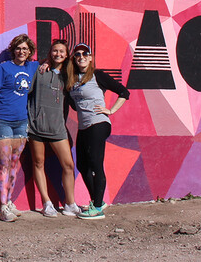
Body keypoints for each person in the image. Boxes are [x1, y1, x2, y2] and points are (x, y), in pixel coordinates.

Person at [67, 42, 129, 220]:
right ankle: (97, 202)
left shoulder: (97, 75)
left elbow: (124, 92)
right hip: (84, 125)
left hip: (99, 123)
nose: (81, 57)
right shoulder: (72, 79)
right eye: (77, 54)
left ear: (91, 57)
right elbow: (73, 102)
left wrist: (110, 110)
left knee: (95, 163)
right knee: (82, 165)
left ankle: (97, 208)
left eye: (85, 54)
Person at [0, 34, 39, 222]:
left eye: (25, 49)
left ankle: (9, 201)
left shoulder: (32, 67)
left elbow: (50, 63)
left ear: (30, 51)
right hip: (1, 121)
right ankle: (2, 206)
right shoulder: (4, 68)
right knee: (4, 164)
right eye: (18, 48)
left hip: (21, 122)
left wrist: (45, 65)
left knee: (14, 164)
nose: (21, 51)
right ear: (13, 50)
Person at [28, 39, 80, 217]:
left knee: (68, 165)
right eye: (55, 51)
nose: (58, 54)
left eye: (62, 52)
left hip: (58, 128)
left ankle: (70, 203)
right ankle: (47, 203)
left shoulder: (69, 75)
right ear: (50, 52)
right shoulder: (39, 69)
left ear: (67, 55)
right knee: (38, 163)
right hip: (36, 127)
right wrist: (44, 63)